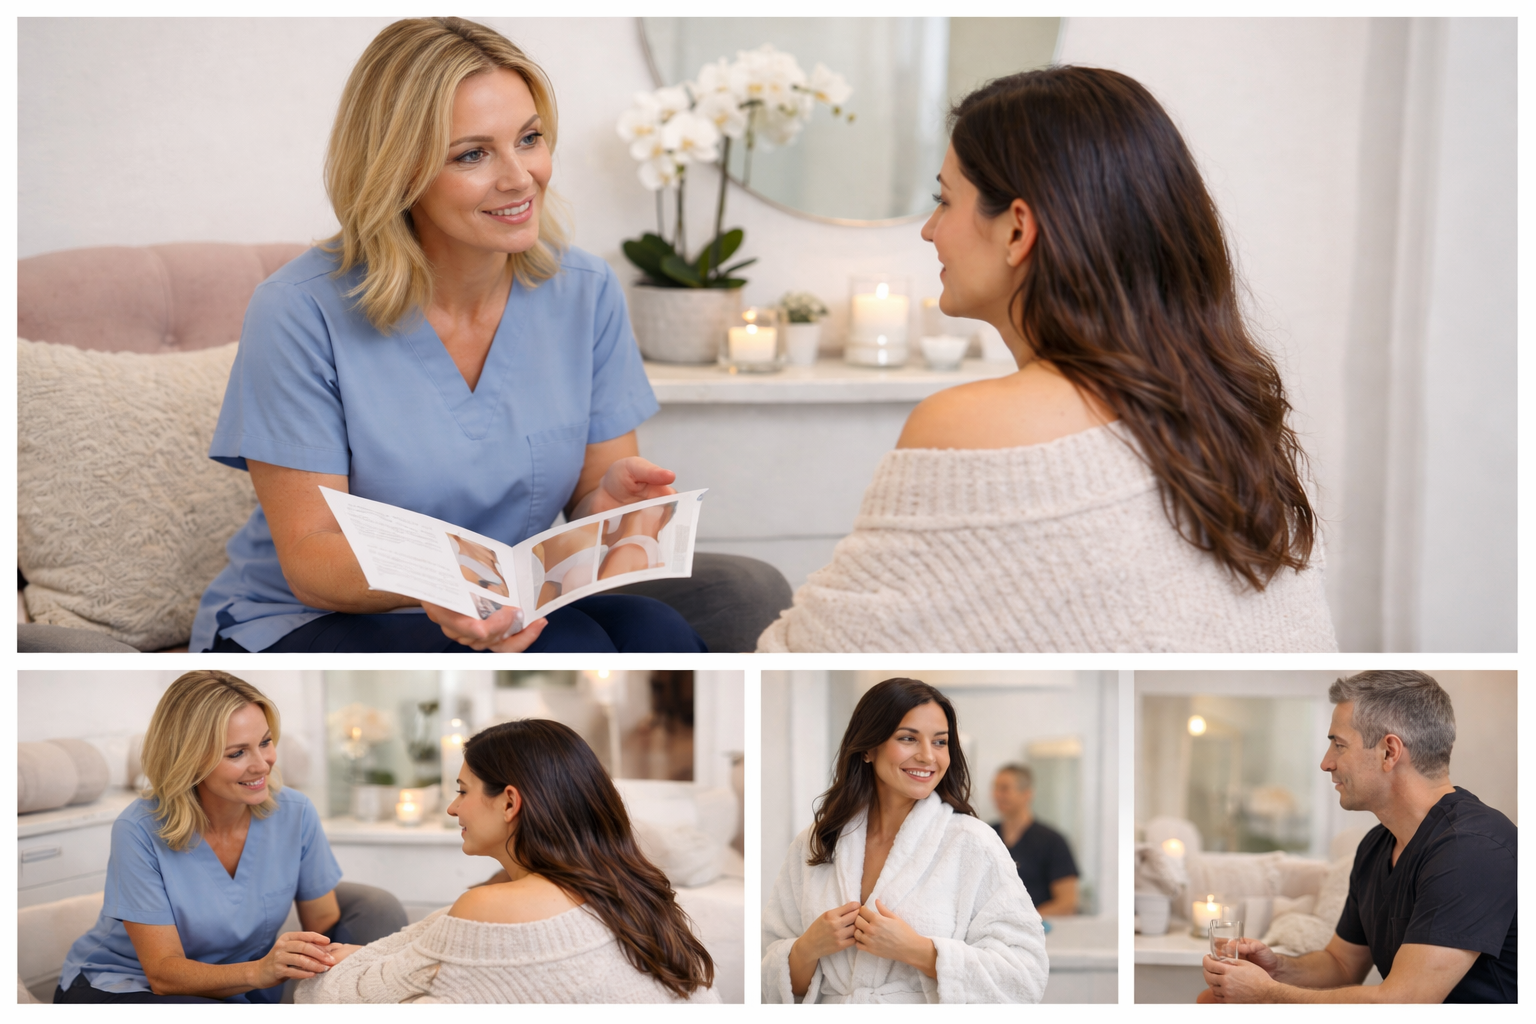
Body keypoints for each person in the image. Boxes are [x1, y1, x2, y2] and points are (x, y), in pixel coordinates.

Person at [190, 17, 786, 654]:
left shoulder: (584, 290)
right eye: (472, 154)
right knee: (573, 647)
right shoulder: (298, 310)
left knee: (657, 630)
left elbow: (593, 498)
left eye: (529, 139)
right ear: (399, 172)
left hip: (498, 599)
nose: (520, 176)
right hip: (312, 620)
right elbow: (312, 559)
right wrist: (453, 580)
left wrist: (604, 505)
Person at [758, 66, 1336, 653]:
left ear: (1016, 230)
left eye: (944, 200)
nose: (931, 230)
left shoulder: (970, 425)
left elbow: (798, 656)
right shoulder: (1237, 411)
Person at [296, 719, 719, 1003]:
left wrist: (352, 961)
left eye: (462, 791)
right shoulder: (633, 893)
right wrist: (370, 956)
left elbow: (326, 997)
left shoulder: (490, 908)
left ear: (510, 802)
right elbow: (435, 936)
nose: (452, 809)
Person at [55, 672, 406, 1003]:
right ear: (190, 759)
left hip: (236, 991)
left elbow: (324, 923)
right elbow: (162, 974)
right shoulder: (139, 829)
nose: (262, 764)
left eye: (265, 742)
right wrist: (260, 970)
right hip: (127, 987)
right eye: (237, 753)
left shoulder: (295, 813)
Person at [1201, 671, 1516, 1003]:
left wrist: (1266, 993)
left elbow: (1403, 1003)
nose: (1326, 763)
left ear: (1388, 752)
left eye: (1339, 745)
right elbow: (1341, 964)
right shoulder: (1376, 846)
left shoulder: (1473, 849)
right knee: (1211, 1000)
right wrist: (1275, 969)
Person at [762, 678, 1048, 1003]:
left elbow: (1025, 975)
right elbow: (765, 980)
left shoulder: (972, 843)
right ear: (868, 748)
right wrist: (807, 948)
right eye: (908, 738)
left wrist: (919, 951)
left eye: (940, 742)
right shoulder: (816, 843)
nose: (928, 756)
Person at [991, 765, 1078, 915]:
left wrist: (1026, 921)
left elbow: (1067, 903)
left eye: (1005, 788)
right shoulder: (987, 835)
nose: (997, 795)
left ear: (1027, 794)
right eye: (995, 788)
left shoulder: (1052, 841)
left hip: (1041, 932)